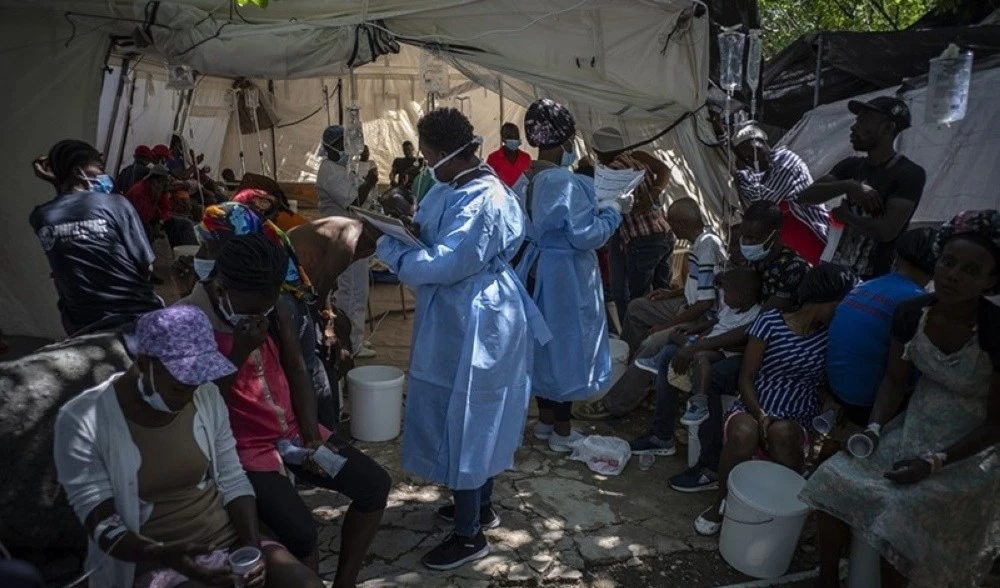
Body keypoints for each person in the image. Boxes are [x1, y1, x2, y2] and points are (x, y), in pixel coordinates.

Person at [374, 108, 550, 570]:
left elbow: (447, 262)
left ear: (445, 153)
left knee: (472, 414)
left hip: (480, 315)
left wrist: (388, 247)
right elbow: (433, 232)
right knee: (462, 409)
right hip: (456, 313)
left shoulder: (483, 197)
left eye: (430, 154)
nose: (427, 162)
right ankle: (480, 503)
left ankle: (470, 534)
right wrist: (404, 221)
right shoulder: (454, 186)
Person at [53, 305, 323, 588]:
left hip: (224, 542)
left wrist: (251, 549)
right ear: (144, 364)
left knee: (305, 583)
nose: (189, 395)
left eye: (195, 384)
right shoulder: (84, 420)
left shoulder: (205, 396)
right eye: (180, 387)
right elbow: (103, 524)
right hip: (154, 561)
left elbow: (232, 478)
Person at [802, 210, 1000, 588]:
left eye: (972, 271)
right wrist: (875, 428)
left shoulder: (994, 334)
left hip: (968, 451)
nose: (954, 275)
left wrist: (936, 462)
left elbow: (996, 422)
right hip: (910, 429)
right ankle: (826, 578)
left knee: (898, 518)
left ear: (991, 280)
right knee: (832, 478)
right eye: (948, 262)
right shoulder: (911, 314)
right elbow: (894, 380)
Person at [180, 234, 390, 586]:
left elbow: (295, 366)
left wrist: (310, 435)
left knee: (374, 485)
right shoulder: (191, 319)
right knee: (300, 533)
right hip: (244, 450)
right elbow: (199, 402)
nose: (260, 313)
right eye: (252, 307)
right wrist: (239, 351)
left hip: (292, 432)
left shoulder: (271, 303)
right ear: (222, 287)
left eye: (268, 303)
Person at [694, 264, 858, 535]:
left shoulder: (829, 336)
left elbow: (823, 383)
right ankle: (721, 503)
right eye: (837, 304)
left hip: (797, 413)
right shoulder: (770, 322)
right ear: (824, 299)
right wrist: (760, 415)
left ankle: (786, 511)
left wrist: (829, 402)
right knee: (743, 431)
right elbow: (747, 377)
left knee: (782, 432)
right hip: (755, 402)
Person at [668, 200, 812, 493]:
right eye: (744, 236)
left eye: (754, 239)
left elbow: (758, 330)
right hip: (740, 343)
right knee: (674, 356)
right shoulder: (754, 261)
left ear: (776, 233)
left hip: (771, 354)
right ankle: (663, 436)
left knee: (711, 377)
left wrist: (701, 345)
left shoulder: (793, 270)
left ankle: (709, 466)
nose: (746, 243)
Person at [515, 99, 627, 452]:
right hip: (566, 276)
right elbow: (585, 235)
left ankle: (545, 423)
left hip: (534, 269)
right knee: (567, 347)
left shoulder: (525, 179)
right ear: (565, 140)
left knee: (543, 346)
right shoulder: (566, 182)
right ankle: (563, 431)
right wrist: (613, 211)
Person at [29, 139, 163, 335]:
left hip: (82, 322)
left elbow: (66, 206)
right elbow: (146, 267)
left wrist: (60, 181)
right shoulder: (117, 204)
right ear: (77, 172)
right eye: (99, 169)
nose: (103, 175)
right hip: (137, 312)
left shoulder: (41, 216)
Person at [630, 268, 762, 454]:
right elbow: (713, 324)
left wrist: (702, 345)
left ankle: (699, 403)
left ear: (742, 295)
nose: (723, 300)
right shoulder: (731, 309)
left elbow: (744, 343)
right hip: (708, 344)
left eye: (728, 295)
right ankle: (661, 435)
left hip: (722, 353)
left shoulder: (756, 316)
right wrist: (693, 332)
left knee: (698, 358)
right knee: (673, 342)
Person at [798, 96, 926, 279]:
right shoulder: (851, 166)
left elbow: (886, 231)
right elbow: (805, 196)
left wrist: (846, 216)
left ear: (887, 128)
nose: (854, 126)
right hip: (838, 274)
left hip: (874, 279)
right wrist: (849, 186)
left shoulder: (909, 173)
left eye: (864, 120)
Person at [825, 227, 936, 424]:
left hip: (834, 388)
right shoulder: (917, 302)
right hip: (866, 404)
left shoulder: (865, 286)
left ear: (897, 256)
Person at [592, 126, 674, 324]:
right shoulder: (638, 158)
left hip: (641, 239)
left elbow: (601, 206)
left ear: (602, 151)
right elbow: (664, 169)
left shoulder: (611, 171)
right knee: (662, 293)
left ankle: (635, 342)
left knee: (638, 300)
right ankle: (663, 334)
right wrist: (654, 192)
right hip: (662, 233)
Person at [317, 125, 380, 358]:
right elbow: (353, 200)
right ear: (333, 148)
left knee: (357, 289)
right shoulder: (328, 171)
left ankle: (356, 338)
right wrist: (371, 181)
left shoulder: (340, 168)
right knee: (352, 290)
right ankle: (351, 344)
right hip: (341, 237)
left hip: (350, 234)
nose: (348, 150)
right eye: (344, 145)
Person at [731, 124, 828, 265]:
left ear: (765, 143)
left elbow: (764, 200)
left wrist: (742, 171)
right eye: (746, 157)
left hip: (815, 235)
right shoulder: (757, 177)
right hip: (793, 249)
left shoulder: (786, 161)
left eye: (756, 150)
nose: (753, 159)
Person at [486, 122, 532, 188]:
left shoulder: (526, 158)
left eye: (516, 136)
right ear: (503, 139)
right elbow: (489, 182)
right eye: (510, 137)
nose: (513, 139)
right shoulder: (493, 158)